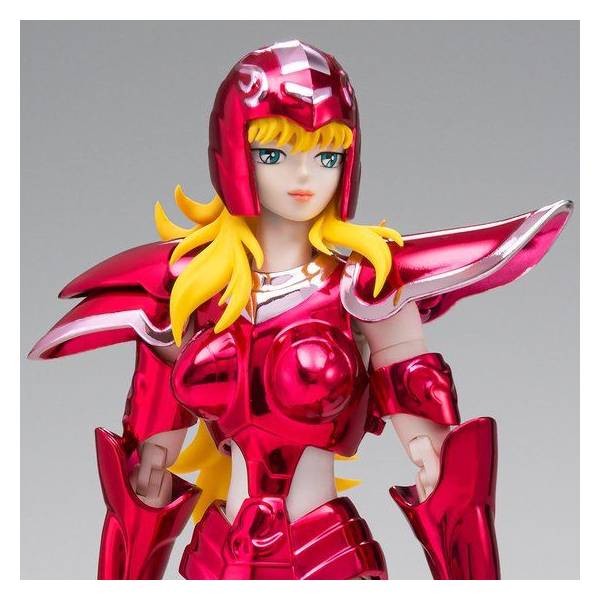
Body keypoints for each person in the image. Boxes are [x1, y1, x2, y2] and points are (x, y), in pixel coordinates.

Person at [29, 39, 573, 580]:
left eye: (326, 156)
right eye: (275, 154)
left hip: (325, 555)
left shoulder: (364, 290)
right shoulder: (194, 293)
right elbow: (147, 470)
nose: (304, 176)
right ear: (234, 157)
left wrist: (436, 465)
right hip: (221, 557)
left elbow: (438, 455)